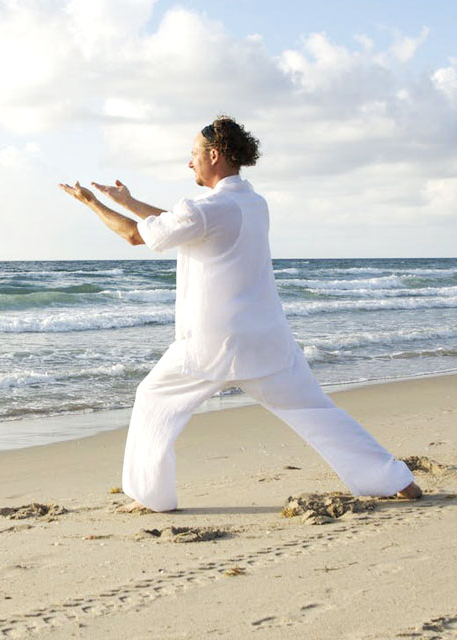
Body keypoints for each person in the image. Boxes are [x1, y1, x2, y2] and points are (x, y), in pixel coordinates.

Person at [59, 115, 422, 513]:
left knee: (152, 399)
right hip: (267, 341)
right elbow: (185, 222)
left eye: (193, 154)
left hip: (213, 344)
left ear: (213, 155)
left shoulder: (205, 210)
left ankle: (152, 497)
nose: (189, 163)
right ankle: (394, 479)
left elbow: (136, 235)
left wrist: (92, 203)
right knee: (316, 411)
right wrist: (128, 201)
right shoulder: (251, 202)